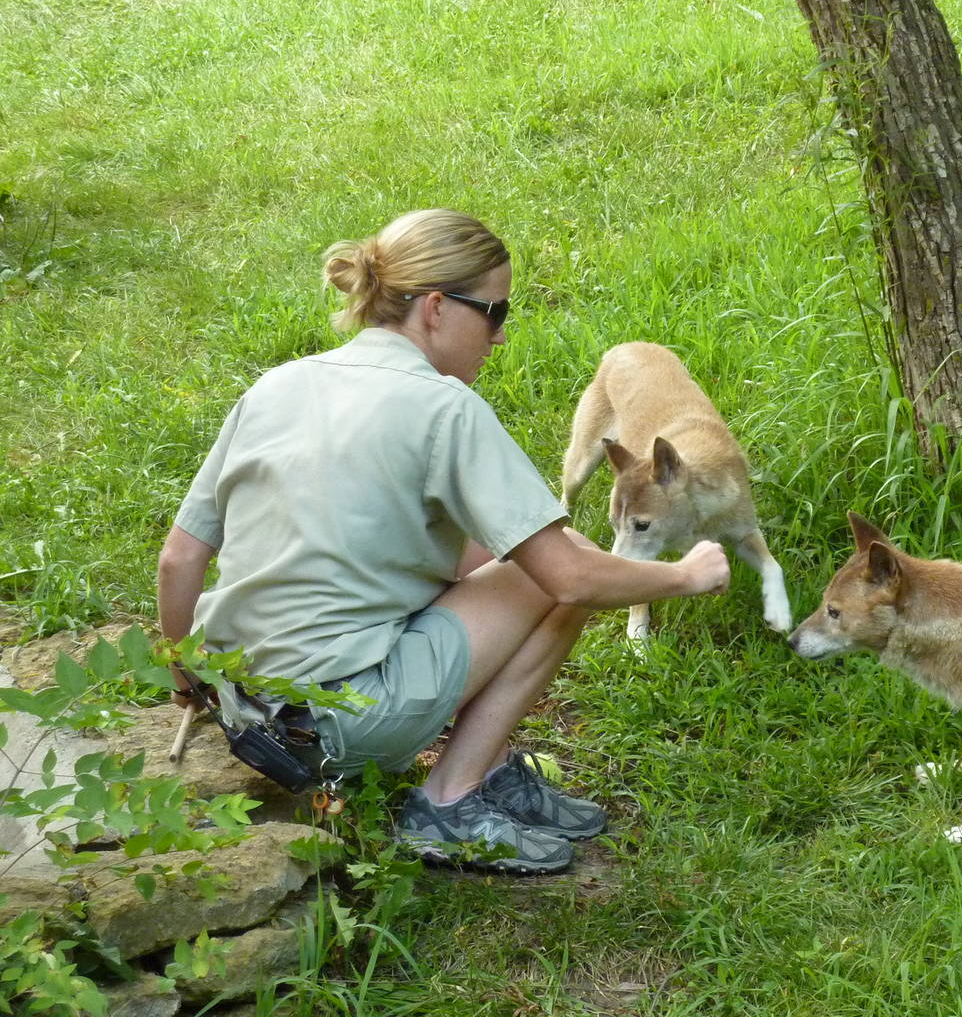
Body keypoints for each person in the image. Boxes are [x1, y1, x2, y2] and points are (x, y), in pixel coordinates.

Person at [156, 208, 730, 873]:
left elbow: (181, 557)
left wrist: (185, 685)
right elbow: (568, 575)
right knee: (563, 569)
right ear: (435, 307)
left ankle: (483, 775)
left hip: (244, 710)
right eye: (494, 312)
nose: (502, 336)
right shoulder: (445, 408)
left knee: (516, 559)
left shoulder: (279, 384)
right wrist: (686, 575)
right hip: (341, 723)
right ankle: (451, 800)